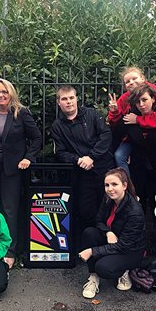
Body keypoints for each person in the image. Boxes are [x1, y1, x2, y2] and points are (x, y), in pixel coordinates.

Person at [0, 78, 42, 268]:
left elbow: (37, 138)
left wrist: (28, 157)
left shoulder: (21, 114)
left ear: (11, 94)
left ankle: (11, 250)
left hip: (12, 170)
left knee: (10, 210)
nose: (0, 95)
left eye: (4, 92)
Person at [51, 85, 114, 241]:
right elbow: (60, 152)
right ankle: (92, 244)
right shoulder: (57, 126)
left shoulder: (92, 115)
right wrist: (78, 160)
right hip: (82, 173)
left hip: (103, 169)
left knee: (108, 206)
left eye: (71, 98)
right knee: (86, 210)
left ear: (76, 99)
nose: (69, 102)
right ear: (59, 102)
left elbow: (105, 135)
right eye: (64, 99)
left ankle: (110, 244)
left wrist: (92, 157)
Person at [124, 85, 156, 256]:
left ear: (153, 99)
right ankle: (140, 248)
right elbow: (118, 135)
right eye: (138, 102)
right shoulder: (131, 119)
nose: (141, 104)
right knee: (138, 209)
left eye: (145, 100)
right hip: (138, 171)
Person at [78, 168, 146, 299]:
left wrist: (92, 251)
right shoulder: (109, 198)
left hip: (130, 251)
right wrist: (108, 232)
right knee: (89, 233)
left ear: (124, 185)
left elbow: (124, 246)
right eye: (107, 185)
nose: (110, 189)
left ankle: (125, 271)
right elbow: (98, 220)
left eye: (114, 184)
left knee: (103, 267)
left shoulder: (134, 212)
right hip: (113, 241)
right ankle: (93, 278)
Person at [107, 67, 156, 177]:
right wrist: (114, 111)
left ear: (143, 78)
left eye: (134, 78)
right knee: (119, 156)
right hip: (134, 138)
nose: (131, 82)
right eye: (127, 81)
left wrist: (138, 120)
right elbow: (114, 123)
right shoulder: (124, 98)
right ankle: (127, 189)